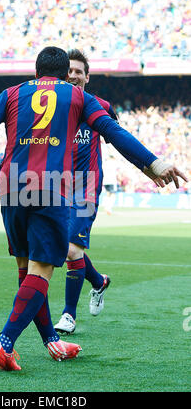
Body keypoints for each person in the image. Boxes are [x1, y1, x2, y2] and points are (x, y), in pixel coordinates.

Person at [0, 46, 188, 372]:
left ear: (35, 72)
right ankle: (4, 343)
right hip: (51, 186)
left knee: (27, 272)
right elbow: (113, 132)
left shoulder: (11, 93)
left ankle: (52, 341)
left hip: (10, 188)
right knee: (42, 272)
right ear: (67, 75)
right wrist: (153, 163)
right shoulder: (77, 96)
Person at [54, 49, 165, 335]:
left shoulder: (99, 106)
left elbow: (118, 139)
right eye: (69, 71)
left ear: (87, 77)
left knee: (71, 248)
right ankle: (99, 281)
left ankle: (68, 315)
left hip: (86, 187)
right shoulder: (53, 107)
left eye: (79, 71)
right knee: (64, 249)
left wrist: (148, 169)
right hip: (57, 186)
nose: (73, 75)